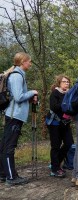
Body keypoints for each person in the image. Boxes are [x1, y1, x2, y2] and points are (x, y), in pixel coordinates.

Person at [0, 52, 38, 186]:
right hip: (14, 115)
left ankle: (4, 174)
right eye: (29, 61)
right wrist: (32, 92)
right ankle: (11, 177)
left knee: (5, 145)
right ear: (22, 62)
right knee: (9, 146)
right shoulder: (17, 76)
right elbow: (18, 97)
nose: (30, 64)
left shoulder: (17, 74)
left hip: (12, 114)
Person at [45, 75, 74, 178]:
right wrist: (66, 104)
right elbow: (54, 107)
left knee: (69, 143)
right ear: (59, 83)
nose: (67, 83)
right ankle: (55, 169)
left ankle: (55, 163)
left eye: (68, 81)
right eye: (64, 81)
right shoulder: (55, 93)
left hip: (65, 123)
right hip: (54, 123)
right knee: (55, 146)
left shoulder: (70, 94)